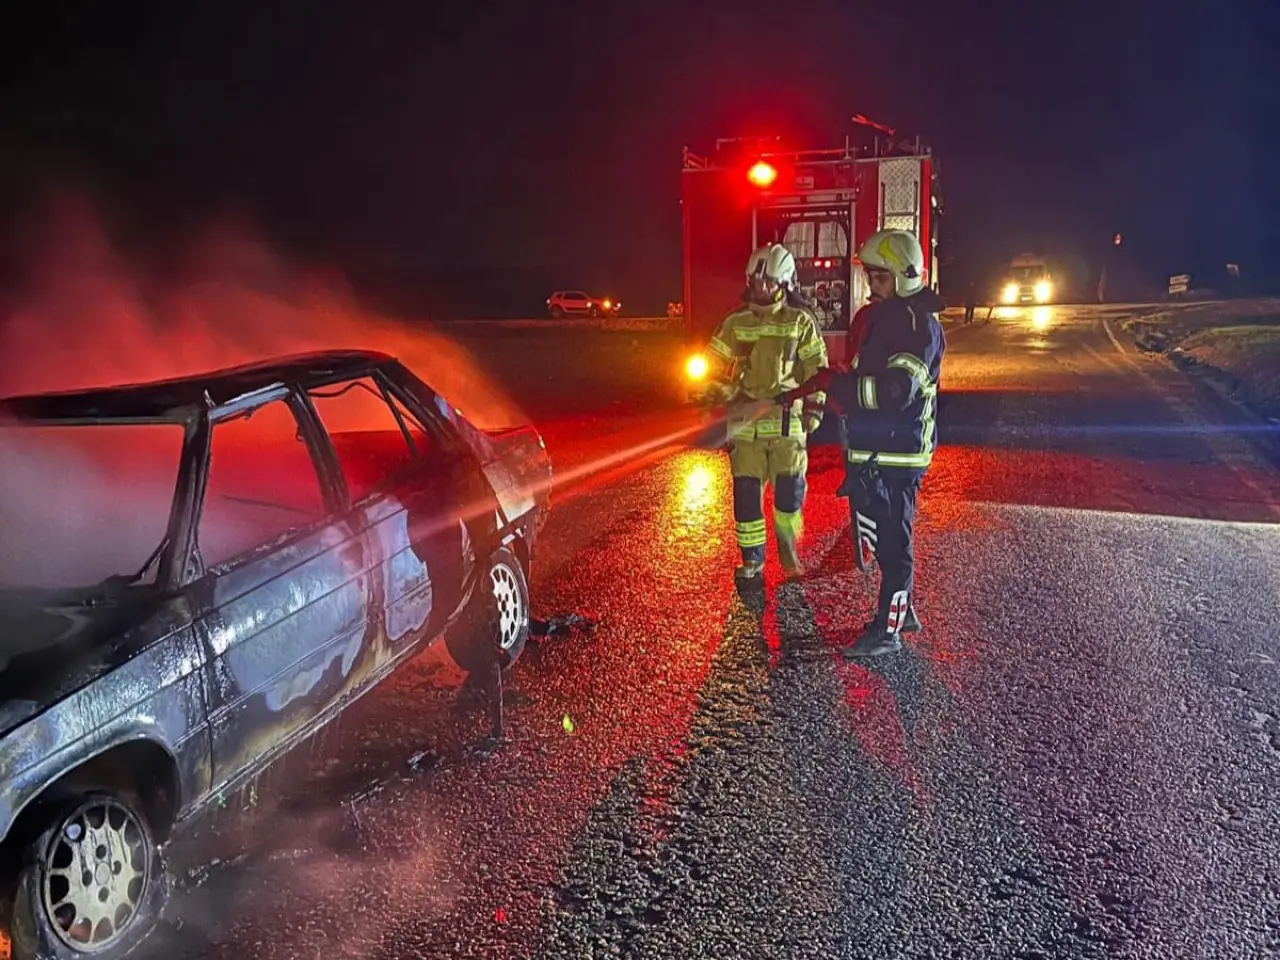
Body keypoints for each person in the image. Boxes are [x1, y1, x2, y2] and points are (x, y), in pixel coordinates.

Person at [831, 229, 945, 658]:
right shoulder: (889, 318)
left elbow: (897, 390)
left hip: (898, 456)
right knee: (884, 538)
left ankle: (888, 631)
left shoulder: (919, 326)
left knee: (894, 546)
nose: (871, 286)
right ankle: (903, 609)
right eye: (870, 277)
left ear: (903, 277)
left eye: (879, 278)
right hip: (879, 451)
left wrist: (845, 390)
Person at [703, 243, 829, 579]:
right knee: (746, 501)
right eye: (755, 280)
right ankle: (752, 562)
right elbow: (711, 366)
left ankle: (789, 556)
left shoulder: (800, 321)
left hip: (788, 427)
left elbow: (818, 369)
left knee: (788, 501)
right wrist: (720, 391)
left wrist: (814, 411)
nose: (759, 286)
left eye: (768, 281)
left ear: (783, 282)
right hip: (745, 428)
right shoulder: (735, 322)